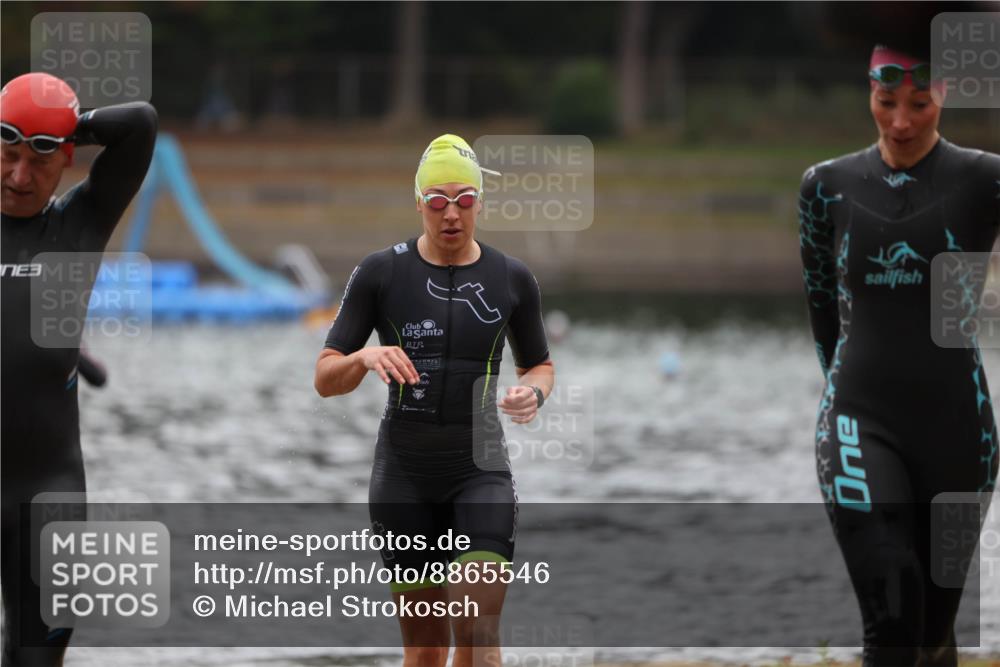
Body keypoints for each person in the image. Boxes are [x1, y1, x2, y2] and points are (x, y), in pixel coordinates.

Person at [314, 134, 554, 667]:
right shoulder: (381, 272)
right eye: (439, 201)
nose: (452, 213)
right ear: (418, 202)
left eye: (465, 200)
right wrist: (365, 359)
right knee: (426, 652)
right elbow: (325, 377)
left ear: (480, 204)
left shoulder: (512, 278)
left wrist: (533, 391)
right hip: (404, 476)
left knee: (475, 633)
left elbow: (540, 363)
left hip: (480, 472)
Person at [799, 44, 1000, 666]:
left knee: (932, 635)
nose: (902, 121)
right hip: (861, 417)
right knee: (891, 618)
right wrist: (845, 401)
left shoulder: (985, 179)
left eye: (921, 104)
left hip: (960, 433)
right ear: (869, 92)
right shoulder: (825, 187)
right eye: (887, 102)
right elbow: (823, 316)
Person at [1, 72, 157, 666]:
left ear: (66, 159)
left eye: (39, 160)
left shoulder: (77, 227)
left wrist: (65, 121)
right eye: (8, 155)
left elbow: (139, 123)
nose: (20, 176)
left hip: (48, 494)